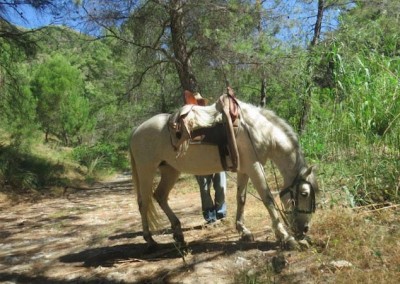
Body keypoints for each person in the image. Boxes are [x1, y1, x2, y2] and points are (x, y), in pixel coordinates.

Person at [182, 90, 227, 223]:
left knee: (220, 185)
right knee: (205, 188)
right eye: (197, 102)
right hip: (199, 159)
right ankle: (210, 216)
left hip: (217, 157)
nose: (199, 104)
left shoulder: (213, 116)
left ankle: (221, 212)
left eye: (201, 102)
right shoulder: (190, 120)